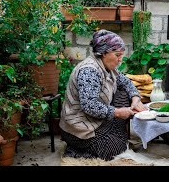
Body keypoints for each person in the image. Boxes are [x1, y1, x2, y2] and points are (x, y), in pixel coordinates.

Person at [60, 29, 147, 161]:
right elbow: (89, 105)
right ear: (104, 53)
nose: (120, 59)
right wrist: (117, 112)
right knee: (117, 149)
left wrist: (135, 97)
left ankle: (111, 138)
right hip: (79, 127)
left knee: (123, 93)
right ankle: (76, 149)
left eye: (121, 55)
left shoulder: (108, 67)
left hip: (96, 121)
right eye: (117, 55)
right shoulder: (89, 70)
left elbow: (126, 82)